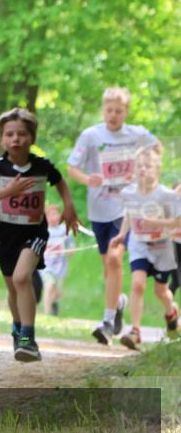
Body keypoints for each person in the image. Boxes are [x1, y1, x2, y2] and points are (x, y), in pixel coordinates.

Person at [0, 108, 79, 362]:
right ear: (2, 139)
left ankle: (28, 339)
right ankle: (18, 329)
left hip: (35, 233)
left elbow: (60, 180)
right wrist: (8, 191)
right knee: (12, 286)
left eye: (22, 134)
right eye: (9, 134)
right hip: (6, 236)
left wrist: (69, 206)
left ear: (32, 137)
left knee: (22, 278)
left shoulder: (41, 166)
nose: (16, 139)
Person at [66, 87, 160, 344]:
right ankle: (118, 302)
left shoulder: (136, 134)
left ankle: (107, 322)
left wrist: (143, 172)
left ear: (126, 112)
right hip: (99, 209)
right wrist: (89, 179)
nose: (113, 115)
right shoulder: (91, 135)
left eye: (119, 111)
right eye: (109, 110)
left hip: (128, 207)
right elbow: (72, 167)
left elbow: (157, 149)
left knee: (116, 258)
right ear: (103, 110)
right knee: (109, 267)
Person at [109, 147, 181, 348]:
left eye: (148, 166)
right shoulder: (130, 193)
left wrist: (159, 223)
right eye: (139, 166)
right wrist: (122, 235)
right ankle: (135, 331)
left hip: (162, 248)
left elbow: (177, 222)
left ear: (157, 170)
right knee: (137, 284)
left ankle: (171, 312)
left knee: (161, 292)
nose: (143, 170)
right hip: (139, 244)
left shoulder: (166, 195)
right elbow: (129, 214)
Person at [40, 204, 75, 316]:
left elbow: (71, 245)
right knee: (49, 286)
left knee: (57, 292)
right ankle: (47, 314)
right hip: (47, 266)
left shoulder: (64, 230)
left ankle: (54, 302)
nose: (55, 217)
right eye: (51, 215)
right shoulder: (42, 231)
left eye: (56, 214)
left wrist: (71, 250)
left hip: (60, 266)